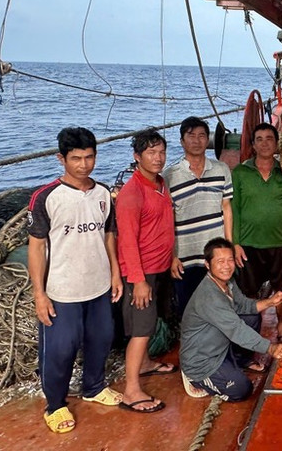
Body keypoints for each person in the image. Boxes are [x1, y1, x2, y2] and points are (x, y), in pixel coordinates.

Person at [28, 127, 123, 434]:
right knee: (61, 347)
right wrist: (39, 293)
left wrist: (115, 273)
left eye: (90, 157)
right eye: (76, 158)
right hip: (62, 288)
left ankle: (93, 387)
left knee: (101, 337)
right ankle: (54, 404)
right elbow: (36, 247)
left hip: (97, 284)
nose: (84, 165)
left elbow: (109, 235)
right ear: (62, 158)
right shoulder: (46, 197)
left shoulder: (103, 194)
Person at [180, 238, 282, 401]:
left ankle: (240, 360)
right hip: (202, 360)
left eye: (230, 260)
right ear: (207, 264)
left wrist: (270, 302)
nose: (226, 266)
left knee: (251, 316)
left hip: (219, 347)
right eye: (220, 261)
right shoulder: (210, 297)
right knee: (242, 389)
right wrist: (270, 348)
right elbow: (237, 330)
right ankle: (195, 378)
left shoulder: (228, 282)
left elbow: (243, 306)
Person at [116, 128, 176, 414]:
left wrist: (173, 257)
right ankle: (131, 390)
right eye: (151, 152)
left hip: (161, 266)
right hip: (142, 273)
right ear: (137, 156)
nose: (158, 158)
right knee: (140, 331)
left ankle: (146, 364)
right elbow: (126, 240)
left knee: (151, 324)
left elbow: (164, 225)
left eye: (161, 151)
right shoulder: (131, 193)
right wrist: (138, 281)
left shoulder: (161, 184)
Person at [163, 116, 233, 316]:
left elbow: (226, 208)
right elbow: (167, 220)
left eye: (202, 135)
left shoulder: (221, 169)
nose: (197, 140)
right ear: (182, 141)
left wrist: (229, 246)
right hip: (185, 256)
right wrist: (172, 256)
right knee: (188, 309)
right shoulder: (170, 176)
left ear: (208, 140)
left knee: (220, 307)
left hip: (215, 255)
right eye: (191, 136)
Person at [232, 123, 282, 342]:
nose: (265, 143)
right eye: (259, 139)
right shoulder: (240, 172)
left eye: (269, 138)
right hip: (250, 243)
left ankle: (281, 322)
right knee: (249, 290)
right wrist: (235, 243)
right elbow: (235, 209)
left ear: (276, 144)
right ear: (252, 145)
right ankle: (251, 326)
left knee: (281, 288)